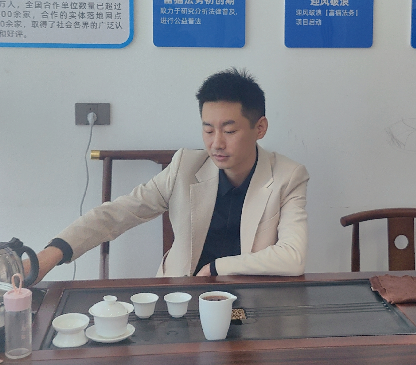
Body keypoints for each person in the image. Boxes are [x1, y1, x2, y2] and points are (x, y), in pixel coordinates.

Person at [35, 68, 309, 282]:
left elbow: (293, 257)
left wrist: (217, 267)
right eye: (208, 130)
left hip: (248, 299)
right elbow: (117, 214)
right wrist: (50, 254)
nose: (216, 143)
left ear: (260, 128)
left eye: (229, 131)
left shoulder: (288, 176)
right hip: (181, 295)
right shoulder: (185, 167)